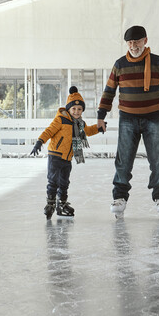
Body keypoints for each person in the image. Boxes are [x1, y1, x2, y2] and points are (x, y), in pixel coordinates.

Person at [97, 25, 159, 219]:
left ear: (145, 40)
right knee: (124, 159)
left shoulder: (157, 62)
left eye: (137, 41)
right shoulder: (119, 64)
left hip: (153, 117)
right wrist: (101, 115)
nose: (133, 45)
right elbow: (109, 91)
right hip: (127, 118)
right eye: (129, 42)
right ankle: (119, 196)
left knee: (158, 158)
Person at [31, 86, 105, 220]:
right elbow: (49, 131)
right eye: (74, 109)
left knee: (64, 182)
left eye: (79, 109)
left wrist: (98, 128)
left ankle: (62, 204)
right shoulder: (61, 119)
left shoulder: (80, 123)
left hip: (67, 157)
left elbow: (87, 131)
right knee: (53, 181)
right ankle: (50, 204)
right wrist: (39, 141)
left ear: (82, 110)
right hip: (55, 155)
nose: (76, 111)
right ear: (68, 109)